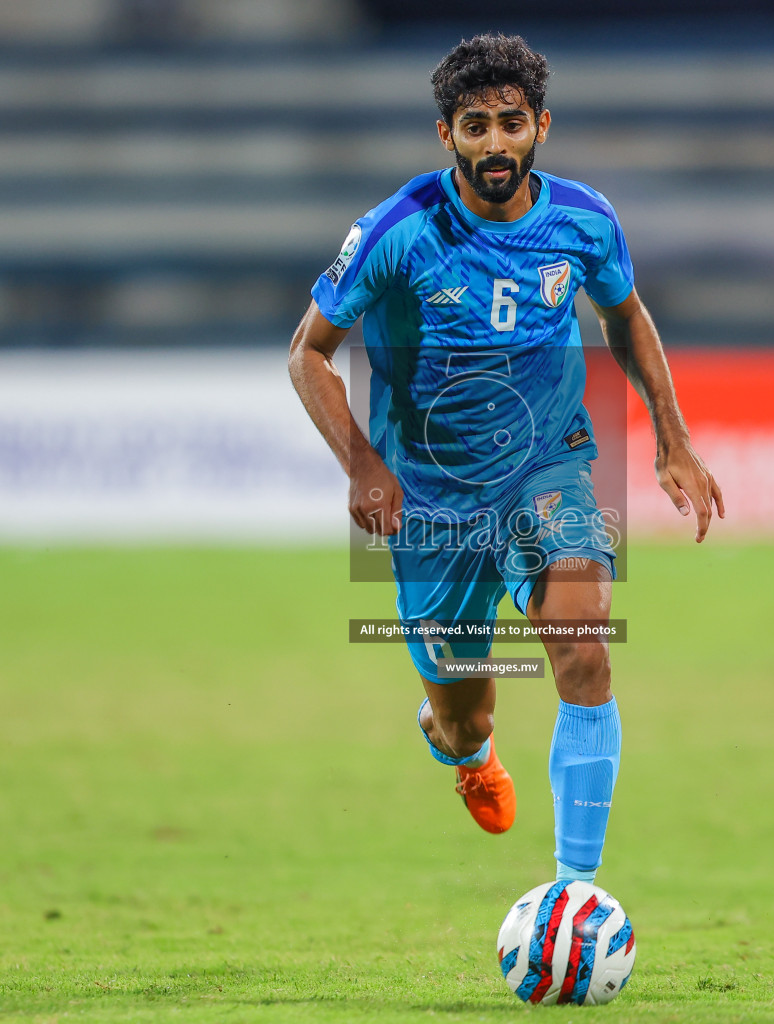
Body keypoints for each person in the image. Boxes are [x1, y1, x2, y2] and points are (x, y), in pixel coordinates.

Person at [288, 35, 723, 888]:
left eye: (511, 124)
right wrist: (363, 467)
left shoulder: (584, 220)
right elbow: (308, 353)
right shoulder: (397, 231)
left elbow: (625, 317)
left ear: (541, 127)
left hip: (547, 465)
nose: (495, 144)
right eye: (475, 126)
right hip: (432, 498)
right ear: (445, 135)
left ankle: (575, 896)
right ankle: (464, 746)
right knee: (465, 712)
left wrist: (672, 437)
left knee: (584, 649)